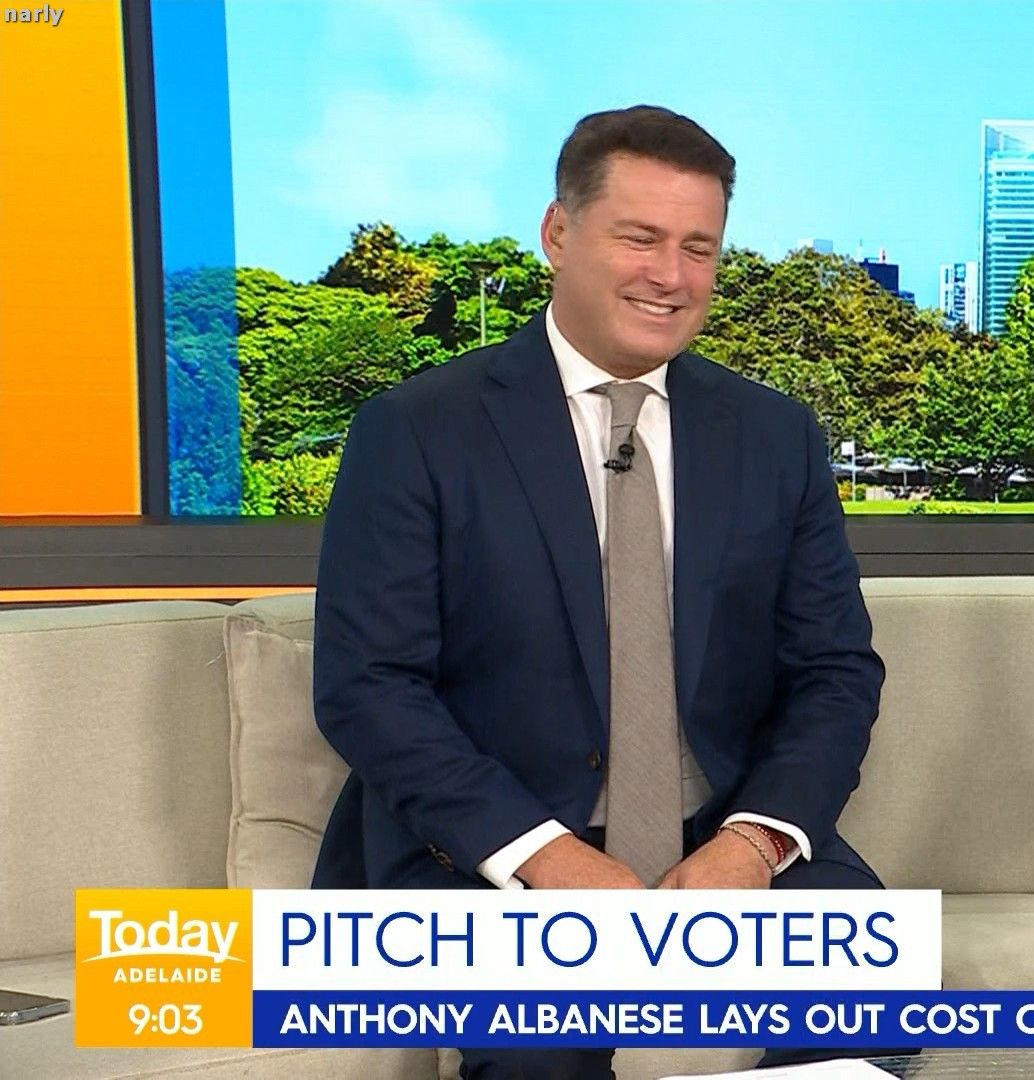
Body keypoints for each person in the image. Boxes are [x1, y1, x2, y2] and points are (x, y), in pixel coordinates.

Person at [311, 105, 890, 1078]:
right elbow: (367, 688)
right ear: (557, 233)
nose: (671, 275)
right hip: (490, 851)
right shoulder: (416, 429)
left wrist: (752, 845)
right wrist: (547, 857)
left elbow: (834, 672)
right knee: (541, 1056)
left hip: (722, 834)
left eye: (698, 248)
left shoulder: (774, 436)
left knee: (869, 1008)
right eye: (640, 238)